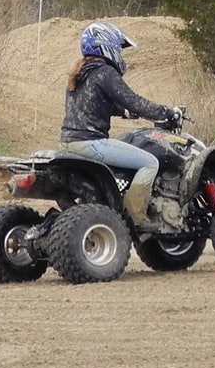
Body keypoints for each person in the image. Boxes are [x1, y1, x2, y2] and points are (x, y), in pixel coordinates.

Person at [59, 21, 187, 230]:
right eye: (118, 48)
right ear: (106, 45)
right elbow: (134, 100)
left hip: (67, 144)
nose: (120, 53)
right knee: (149, 163)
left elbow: (96, 105)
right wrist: (167, 112)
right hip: (90, 143)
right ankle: (137, 218)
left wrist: (125, 112)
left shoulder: (80, 73)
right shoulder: (105, 73)